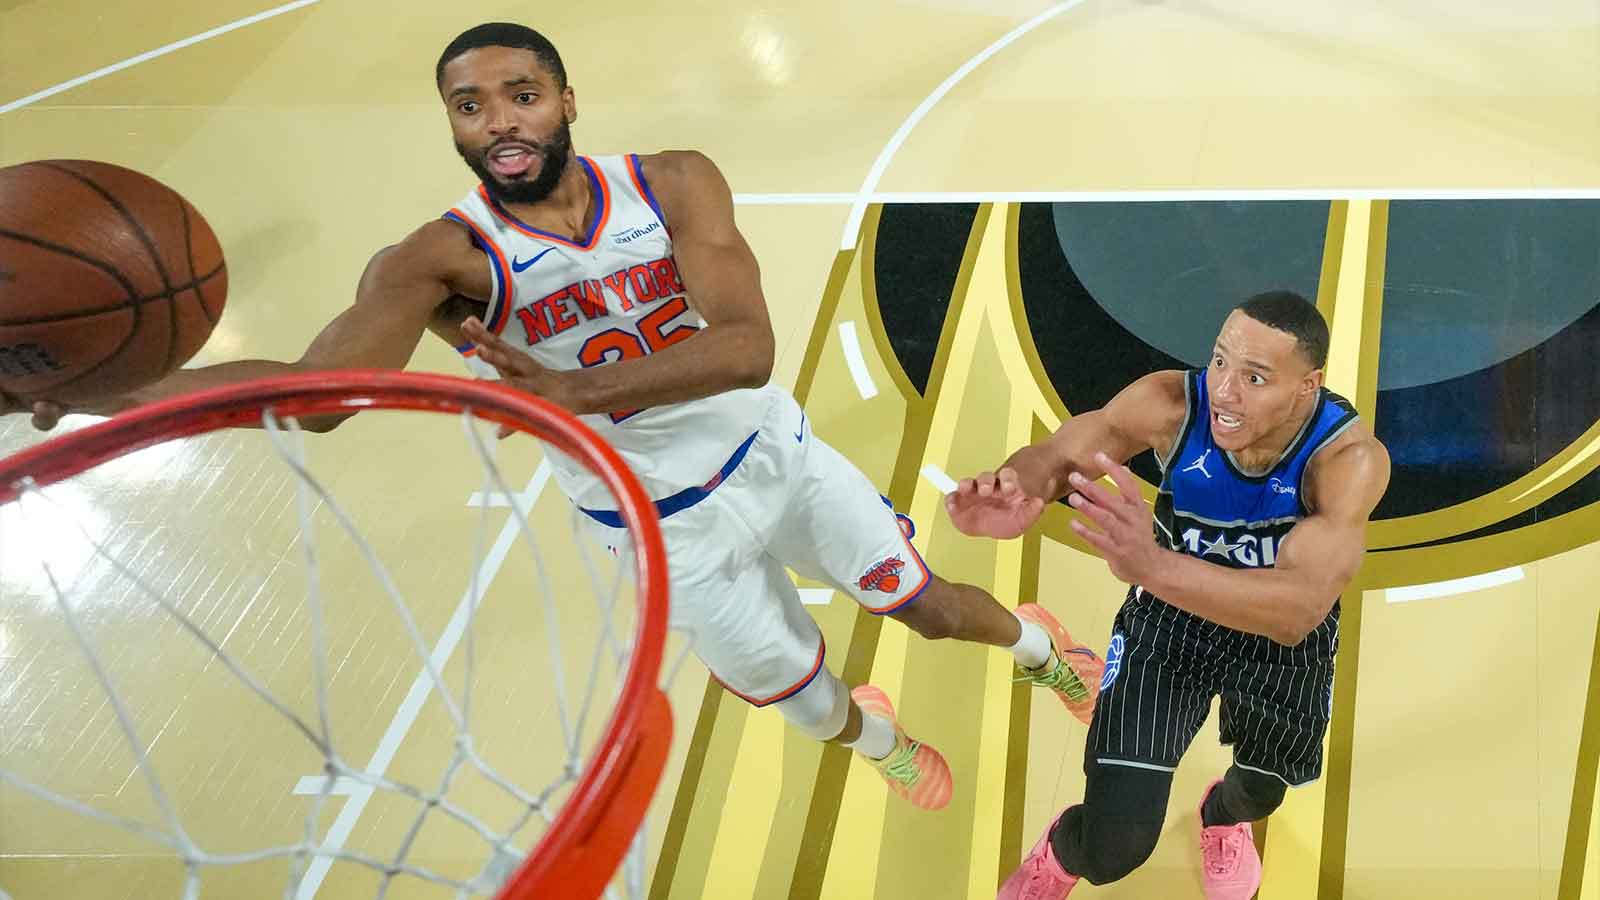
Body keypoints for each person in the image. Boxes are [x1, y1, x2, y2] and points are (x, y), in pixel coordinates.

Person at [9, 23, 1105, 811]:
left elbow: (745, 348)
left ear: (567, 100)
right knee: (807, 703)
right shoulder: (438, 260)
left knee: (924, 604)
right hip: (652, 520)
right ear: (452, 124)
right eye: (469, 104)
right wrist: (109, 395)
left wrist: (569, 392)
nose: (499, 120)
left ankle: (1036, 650)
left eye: (521, 93)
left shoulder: (673, 182)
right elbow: (320, 392)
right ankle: (879, 742)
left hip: (774, 455)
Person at [945, 291, 1389, 895]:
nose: (1226, 391)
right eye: (1221, 361)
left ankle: (1222, 819)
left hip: (1277, 642)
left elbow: (1297, 611)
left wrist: (1150, 566)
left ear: (1307, 386)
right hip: (1168, 623)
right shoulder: (1172, 403)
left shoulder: (1347, 460)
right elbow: (1065, 449)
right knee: (1112, 847)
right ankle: (1061, 852)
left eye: (1255, 377)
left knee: (1259, 792)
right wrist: (1021, 486)